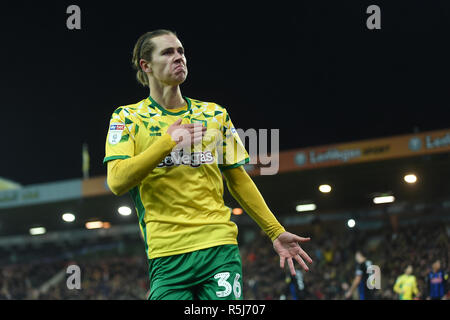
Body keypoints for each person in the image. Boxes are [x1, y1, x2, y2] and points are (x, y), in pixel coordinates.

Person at [103, 29, 313, 300]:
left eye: (181, 51)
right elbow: (117, 181)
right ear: (146, 66)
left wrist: (275, 231)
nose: (179, 57)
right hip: (166, 255)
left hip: (218, 248)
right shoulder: (127, 118)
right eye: (167, 52)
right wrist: (166, 143)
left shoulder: (214, 114)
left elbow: (238, 179)